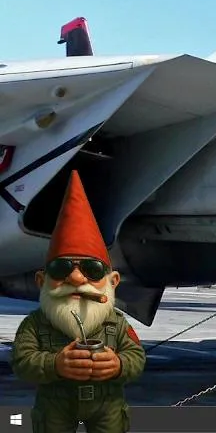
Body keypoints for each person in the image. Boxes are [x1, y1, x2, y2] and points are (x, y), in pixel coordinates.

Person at [11, 171, 147, 433]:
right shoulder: (35, 324)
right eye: (61, 268)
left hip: (107, 404)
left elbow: (136, 358)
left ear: (112, 281)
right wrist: (55, 364)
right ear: (42, 280)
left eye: (92, 270)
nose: (75, 278)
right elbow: (21, 361)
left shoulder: (117, 323)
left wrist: (119, 365)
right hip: (55, 404)